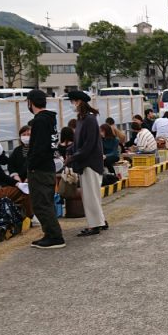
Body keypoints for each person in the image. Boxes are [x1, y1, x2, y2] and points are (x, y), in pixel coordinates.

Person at [25, 89, 65, 249]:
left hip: (40, 169)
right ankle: (50, 234)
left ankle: (54, 236)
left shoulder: (40, 121)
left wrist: (31, 165)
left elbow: (39, 148)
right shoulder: (50, 119)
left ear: (30, 102)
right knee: (45, 202)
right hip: (48, 166)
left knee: (41, 203)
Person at [66, 91, 107, 237]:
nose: (72, 105)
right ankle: (100, 221)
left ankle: (94, 225)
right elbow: (80, 142)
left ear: (79, 102)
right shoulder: (82, 119)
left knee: (91, 196)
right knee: (91, 195)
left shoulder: (88, 120)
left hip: (90, 162)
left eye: (73, 101)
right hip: (86, 161)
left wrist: (74, 157)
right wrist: (71, 150)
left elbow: (89, 144)